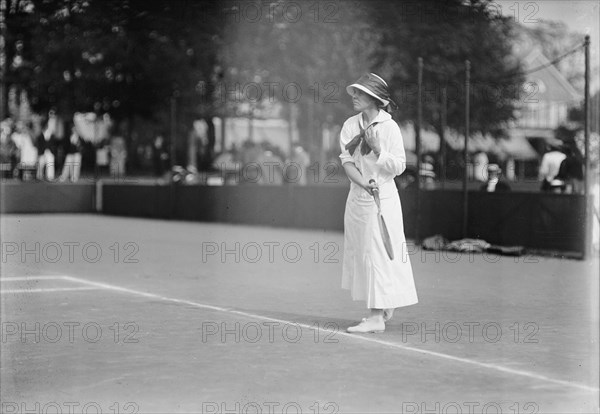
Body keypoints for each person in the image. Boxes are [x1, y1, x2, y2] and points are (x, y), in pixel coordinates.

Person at [339, 73, 418, 334]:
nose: (355, 97)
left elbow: (398, 166)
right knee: (364, 253)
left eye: (360, 93)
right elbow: (347, 163)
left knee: (379, 254)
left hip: (383, 199)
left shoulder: (389, 127)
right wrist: (363, 184)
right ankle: (383, 307)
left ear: (374, 98)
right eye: (355, 92)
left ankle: (375, 317)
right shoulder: (350, 125)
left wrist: (377, 149)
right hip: (358, 198)